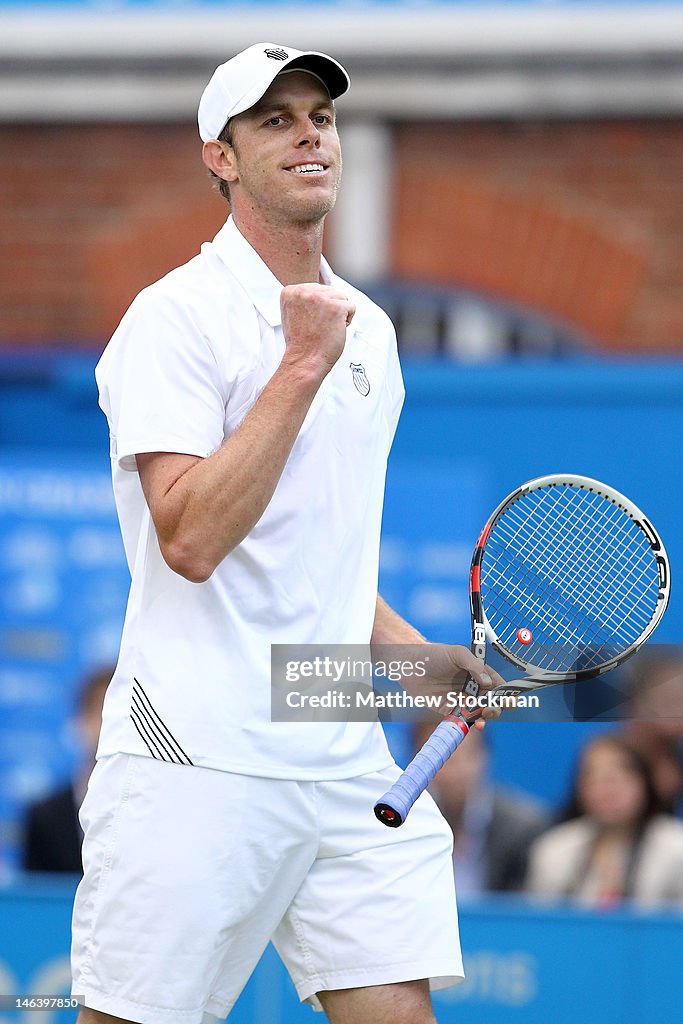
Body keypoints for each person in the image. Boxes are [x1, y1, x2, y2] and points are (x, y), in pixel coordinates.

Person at [71, 42, 504, 1024]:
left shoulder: (373, 332)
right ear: (218, 157)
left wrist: (408, 659)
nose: (309, 133)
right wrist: (299, 366)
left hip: (344, 759)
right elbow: (188, 537)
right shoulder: (173, 319)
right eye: (274, 119)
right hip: (194, 753)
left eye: (321, 116)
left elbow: (319, 557)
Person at [525, 733, 683, 909]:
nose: (607, 789)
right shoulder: (555, 849)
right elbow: (539, 926)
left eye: (620, 777)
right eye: (594, 777)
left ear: (645, 782)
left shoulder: (677, 849)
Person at [413, 721, 548, 895]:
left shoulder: (522, 827)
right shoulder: (403, 824)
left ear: (483, 756)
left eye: (459, 756)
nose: (449, 770)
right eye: (436, 758)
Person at [23, 665, 111, 874]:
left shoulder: (151, 809)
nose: (108, 723)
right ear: (79, 720)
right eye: (99, 710)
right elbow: (31, 900)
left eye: (120, 713)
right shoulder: (44, 816)